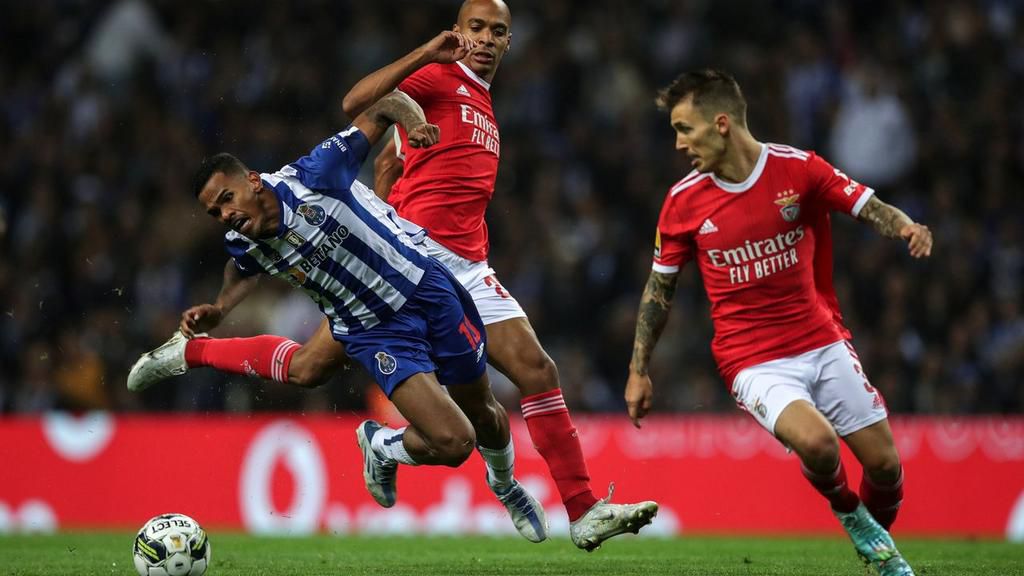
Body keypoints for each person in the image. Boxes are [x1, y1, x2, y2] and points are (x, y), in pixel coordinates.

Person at [127, 89, 549, 543]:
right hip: (374, 330)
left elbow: (385, 105)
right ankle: (380, 443)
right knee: (455, 442)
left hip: (426, 289)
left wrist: (414, 123)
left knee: (484, 411)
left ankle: (502, 485)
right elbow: (241, 268)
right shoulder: (244, 240)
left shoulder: (316, 174)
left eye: (227, 199)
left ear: (252, 180)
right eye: (216, 212)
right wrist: (221, 307)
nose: (226, 214)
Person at [624, 70, 929, 576]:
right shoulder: (682, 202)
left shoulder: (798, 169)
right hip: (752, 360)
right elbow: (659, 290)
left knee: (885, 467)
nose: (678, 144)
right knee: (818, 444)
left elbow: (866, 205)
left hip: (821, 339)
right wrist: (639, 369)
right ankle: (851, 515)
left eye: (685, 129)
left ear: (721, 124)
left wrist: (905, 226)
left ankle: (878, 556)